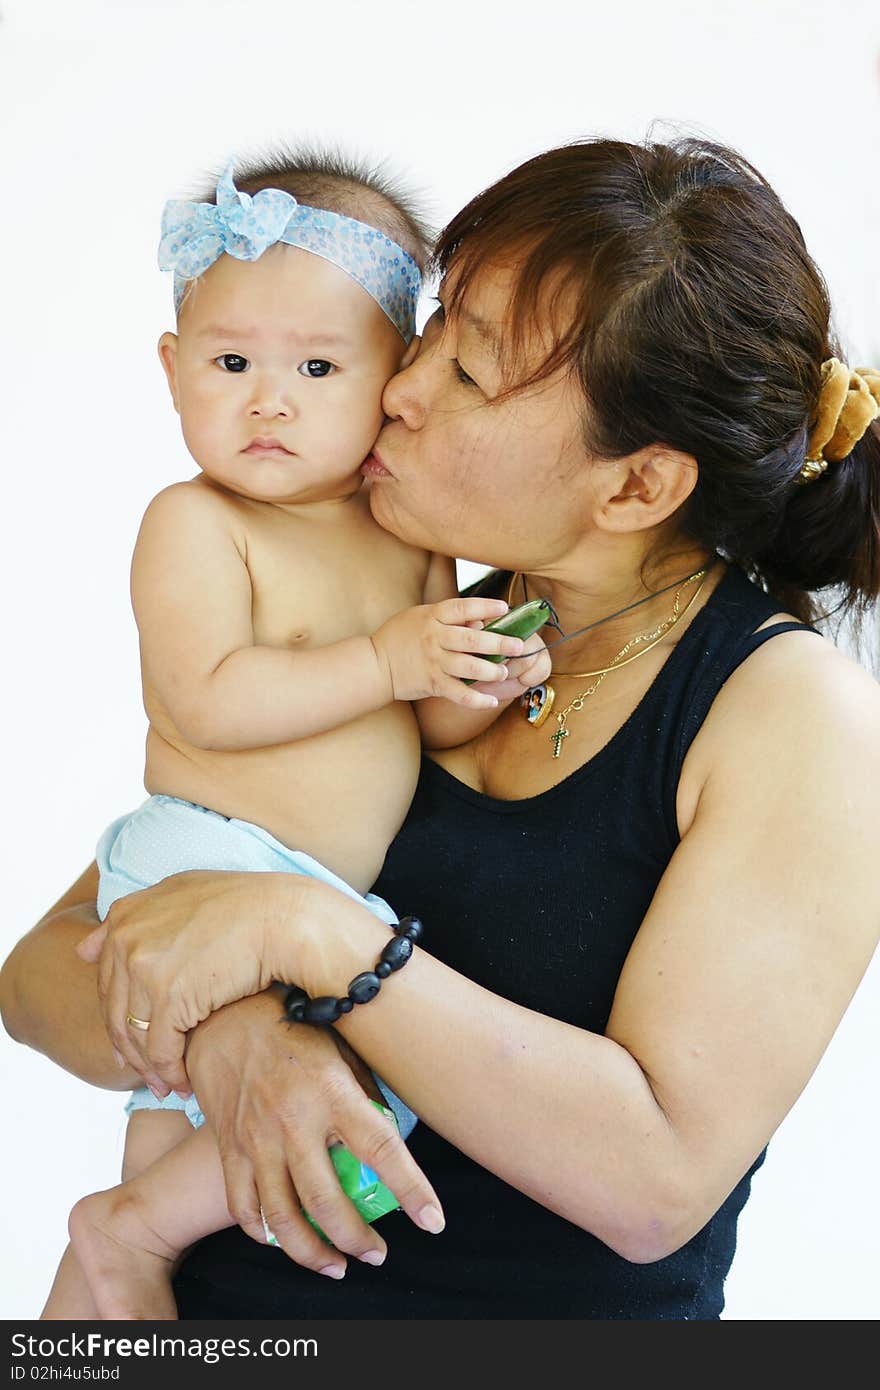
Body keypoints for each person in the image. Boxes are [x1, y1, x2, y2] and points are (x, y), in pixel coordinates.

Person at [3, 134, 880, 1321]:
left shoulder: (787, 713)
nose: (395, 388)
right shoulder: (429, 632)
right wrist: (231, 1038)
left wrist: (314, 940)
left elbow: (655, 1178)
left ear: (635, 486)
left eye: (467, 373)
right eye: (431, 327)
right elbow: (45, 974)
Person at [30, 150, 551, 1321]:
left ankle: (119, 1265)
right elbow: (205, 698)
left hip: (301, 891)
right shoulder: (197, 523)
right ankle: (126, 1234)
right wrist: (386, 655)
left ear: (392, 380)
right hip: (202, 860)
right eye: (230, 363)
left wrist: (485, 673)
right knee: (360, 1106)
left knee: (189, 1147)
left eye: (318, 366)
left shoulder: (403, 529)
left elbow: (423, 716)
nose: (269, 400)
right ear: (172, 371)